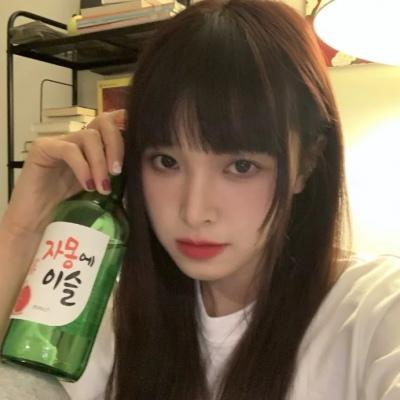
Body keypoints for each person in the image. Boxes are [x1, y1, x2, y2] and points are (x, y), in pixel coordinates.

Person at [1, 0, 400, 399]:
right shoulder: (106, 308)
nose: (194, 212)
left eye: (241, 166)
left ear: (307, 164)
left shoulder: (377, 310)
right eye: (167, 161)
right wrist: (23, 229)